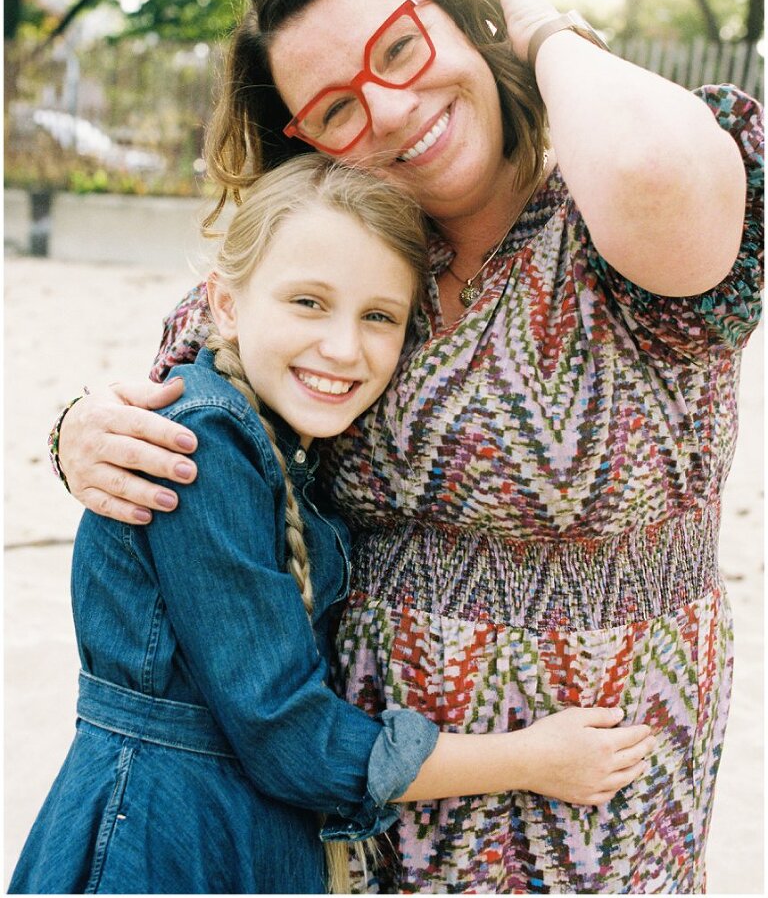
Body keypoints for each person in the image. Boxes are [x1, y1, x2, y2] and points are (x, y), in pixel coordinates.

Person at [52, 0, 763, 893]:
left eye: (401, 46)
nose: (389, 107)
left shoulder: (611, 230)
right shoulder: (343, 256)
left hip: (593, 803)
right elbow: (190, 388)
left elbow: (649, 167)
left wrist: (540, 18)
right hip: (357, 804)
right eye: (337, 108)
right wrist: (81, 431)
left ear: (465, 19)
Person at [12, 155, 653, 896]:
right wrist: (533, 758)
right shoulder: (203, 450)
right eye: (308, 302)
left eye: (378, 315)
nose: (344, 348)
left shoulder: (282, 444)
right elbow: (292, 739)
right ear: (224, 303)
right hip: (165, 844)